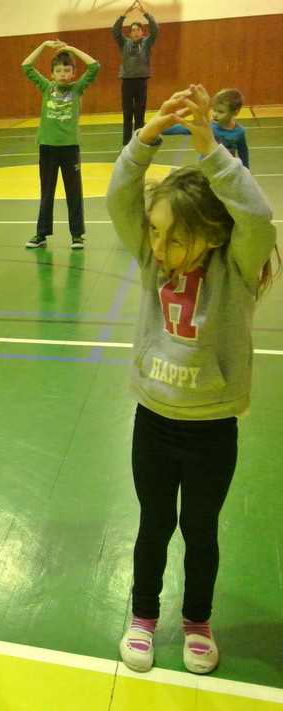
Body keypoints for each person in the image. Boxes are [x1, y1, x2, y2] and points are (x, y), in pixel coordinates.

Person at [107, 84, 278, 675]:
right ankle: (142, 616)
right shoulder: (151, 258)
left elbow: (257, 215)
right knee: (153, 526)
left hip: (211, 429)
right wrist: (148, 135)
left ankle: (198, 621)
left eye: (175, 237)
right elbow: (120, 196)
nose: (159, 246)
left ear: (213, 235)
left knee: (200, 531)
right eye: (155, 232)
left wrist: (210, 147)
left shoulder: (236, 266)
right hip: (153, 421)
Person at [21, 41, 100, 250]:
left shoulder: (77, 89)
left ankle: (77, 235)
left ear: (73, 73)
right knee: (46, 192)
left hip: (70, 148)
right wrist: (43, 45)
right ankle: (41, 234)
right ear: (52, 74)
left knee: (74, 192)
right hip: (47, 147)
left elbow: (95, 66)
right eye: (58, 71)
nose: (63, 74)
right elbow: (26, 66)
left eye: (67, 70)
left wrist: (71, 50)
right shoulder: (46, 87)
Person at [162, 88, 250, 168]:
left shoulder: (239, 132)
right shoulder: (207, 126)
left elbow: (243, 153)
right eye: (214, 110)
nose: (215, 115)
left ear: (235, 113)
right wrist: (159, 129)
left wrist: (246, 170)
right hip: (206, 168)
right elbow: (183, 128)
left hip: (227, 168)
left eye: (220, 112)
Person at [113, 1, 159, 146]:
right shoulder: (124, 43)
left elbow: (155, 28)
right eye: (133, 30)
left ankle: (139, 142)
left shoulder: (147, 43)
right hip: (127, 81)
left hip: (141, 82)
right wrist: (124, 14)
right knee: (127, 114)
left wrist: (146, 13)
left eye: (138, 30)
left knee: (140, 114)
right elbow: (115, 31)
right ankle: (126, 143)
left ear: (142, 32)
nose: (135, 32)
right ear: (130, 33)